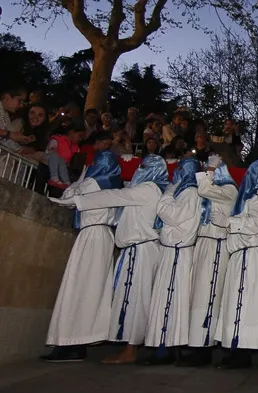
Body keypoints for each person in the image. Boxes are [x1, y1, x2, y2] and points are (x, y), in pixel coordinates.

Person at [71, 154, 169, 364]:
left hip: (139, 250)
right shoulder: (152, 190)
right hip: (139, 250)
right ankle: (130, 347)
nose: (139, 170)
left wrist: (78, 201)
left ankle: (130, 350)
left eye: (144, 167)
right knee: (133, 298)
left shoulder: (148, 189)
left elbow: (115, 196)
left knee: (134, 300)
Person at [42, 151, 122, 362]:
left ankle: (71, 342)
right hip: (104, 235)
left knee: (78, 286)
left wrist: (81, 179)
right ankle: (79, 340)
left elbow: (68, 198)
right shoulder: (114, 183)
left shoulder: (93, 182)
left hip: (92, 234)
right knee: (91, 289)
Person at [210, 159, 258, 369]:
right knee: (239, 301)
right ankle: (237, 348)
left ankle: (241, 351)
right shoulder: (253, 198)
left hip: (252, 254)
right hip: (245, 254)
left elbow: (254, 225)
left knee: (245, 302)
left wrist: (228, 221)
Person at [144, 158, 202, 365]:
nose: (175, 172)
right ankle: (166, 345)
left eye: (180, 168)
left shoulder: (190, 192)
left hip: (177, 252)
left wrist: (168, 192)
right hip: (172, 252)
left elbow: (172, 215)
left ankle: (167, 347)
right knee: (167, 298)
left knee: (170, 298)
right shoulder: (186, 192)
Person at [182, 156, 237, 367]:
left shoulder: (229, 190)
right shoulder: (215, 191)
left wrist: (212, 167)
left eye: (211, 171)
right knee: (197, 296)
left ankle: (203, 347)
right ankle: (195, 343)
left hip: (216, 246)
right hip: (204, 244)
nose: (207, 173)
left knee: (207, 296)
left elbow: (204, 188)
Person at [45, 120, 86, 189]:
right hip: (48, 166)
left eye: (82, 137)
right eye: (80, 136)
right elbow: (50, 154)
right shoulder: (57, 140)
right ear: (71, 132)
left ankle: (67, 183)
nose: (80, 139)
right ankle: (55, 179)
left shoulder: (76, 148)